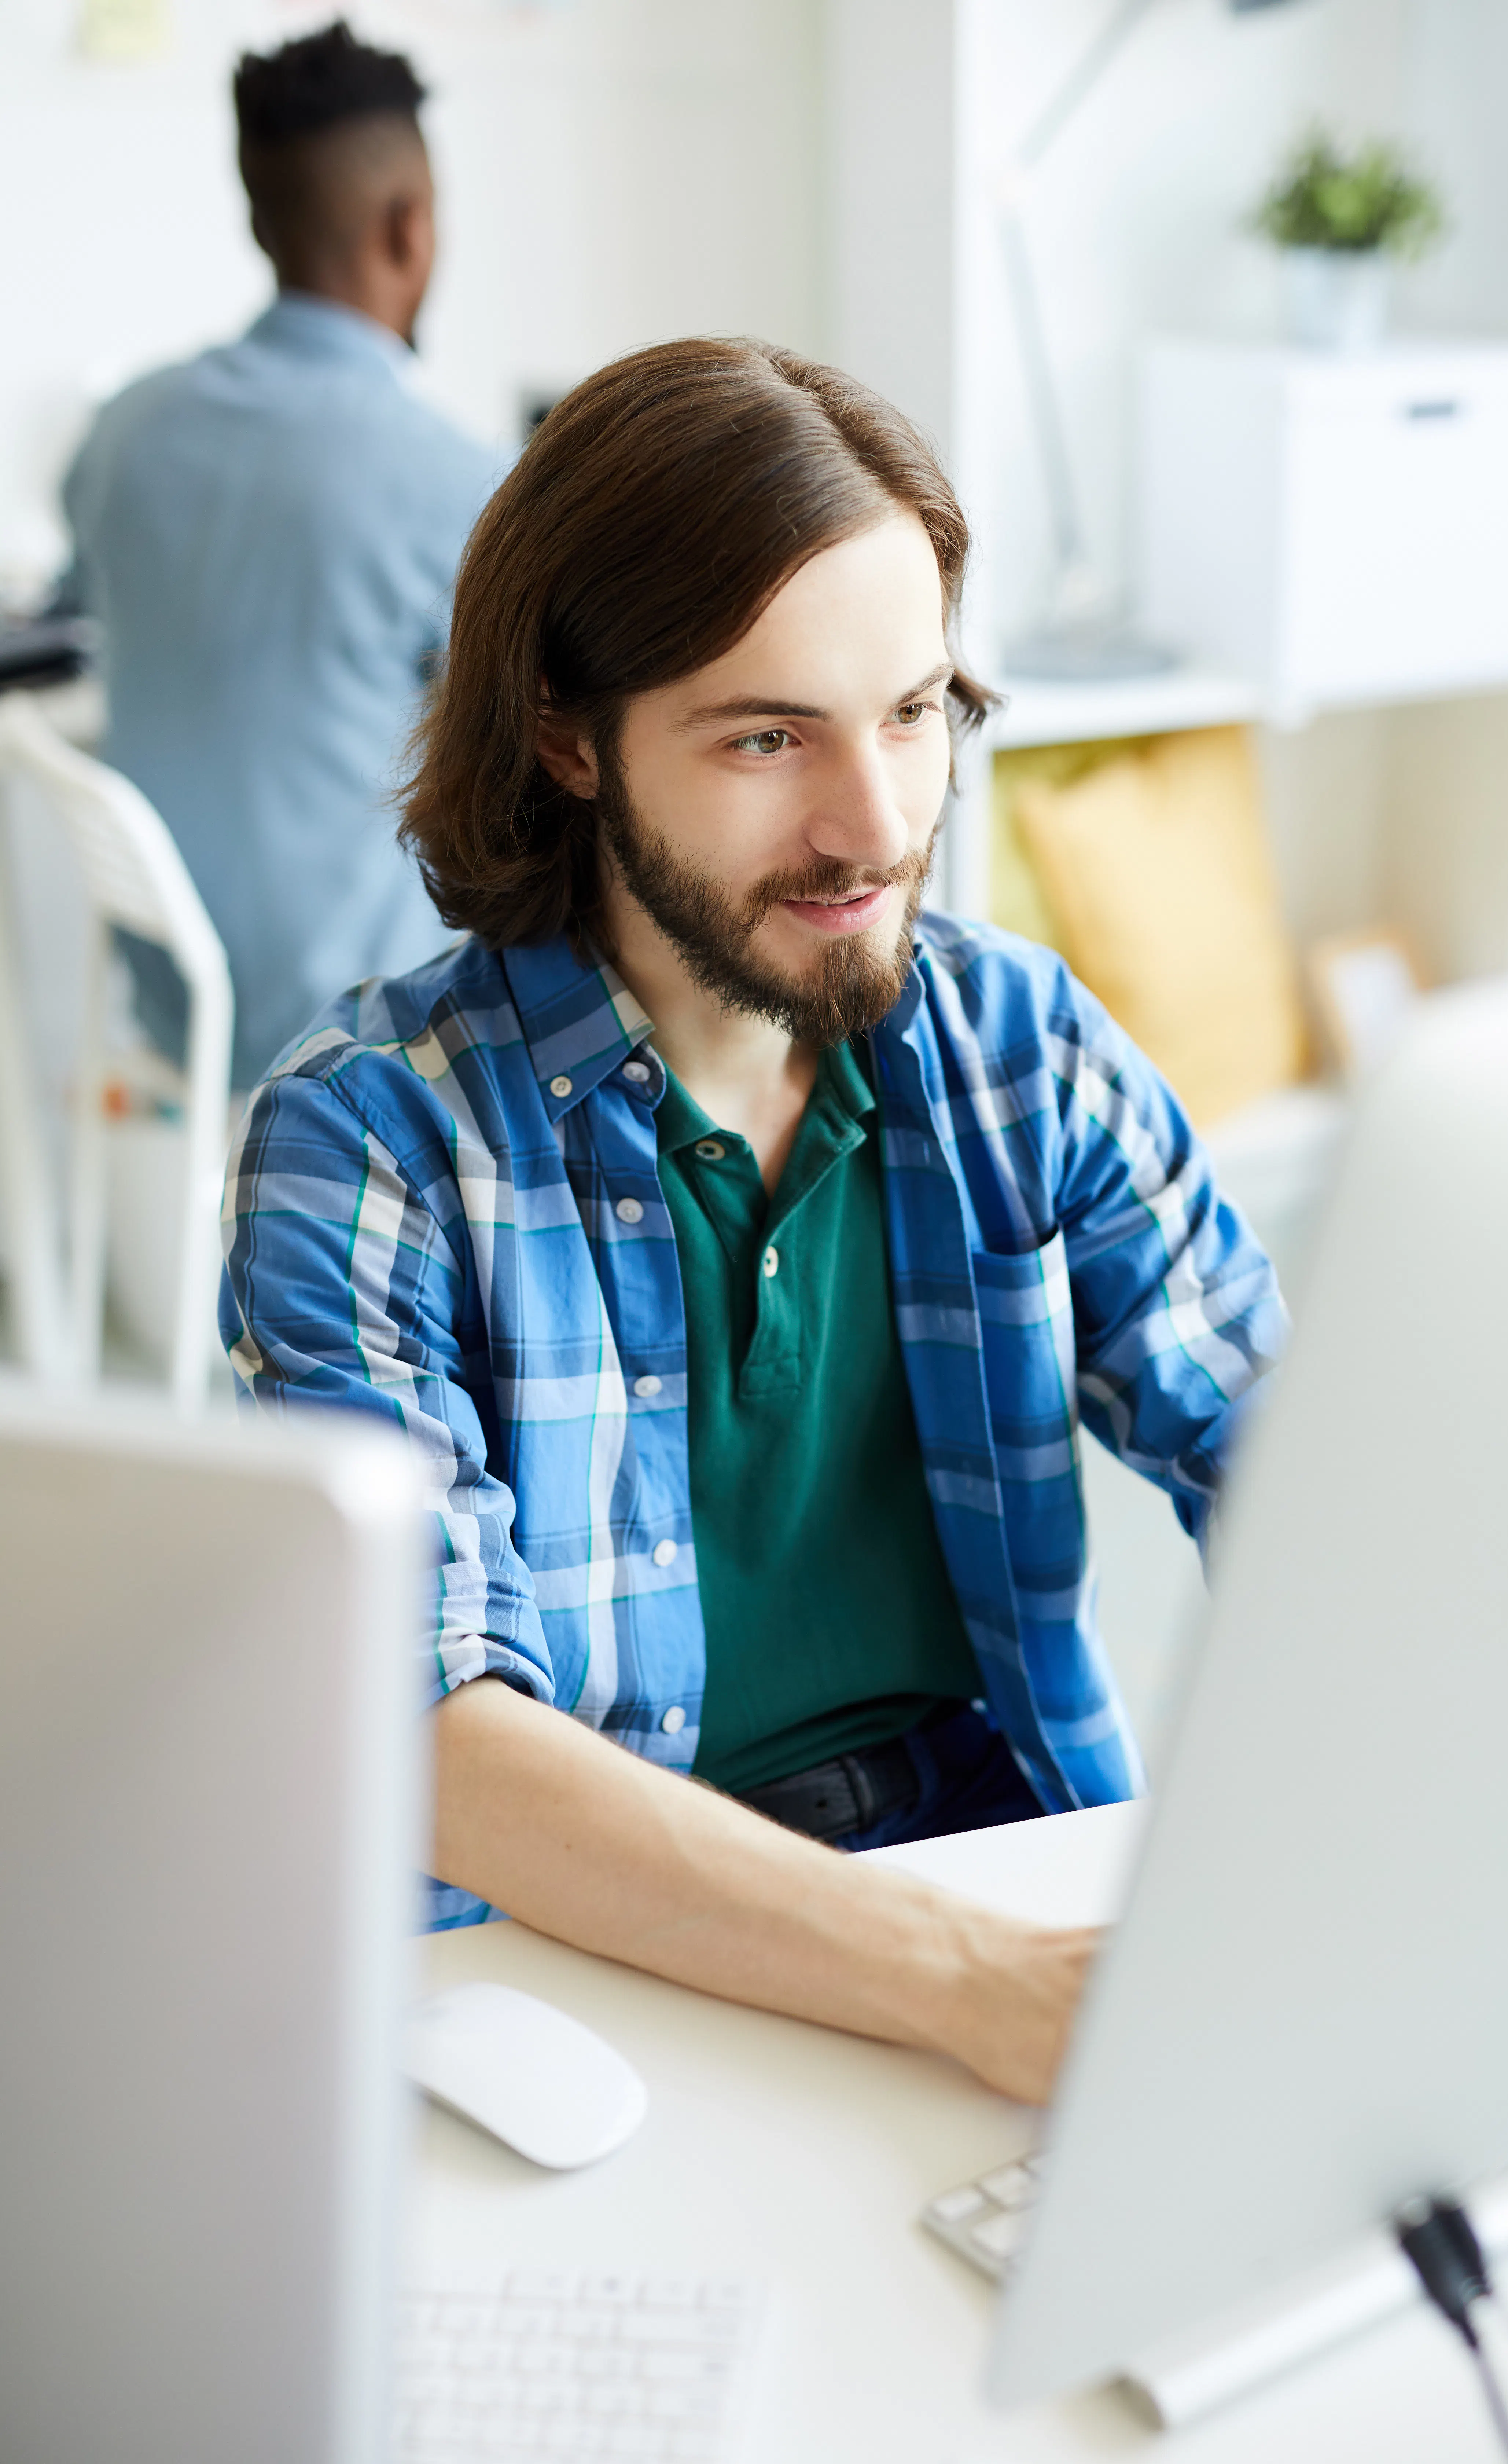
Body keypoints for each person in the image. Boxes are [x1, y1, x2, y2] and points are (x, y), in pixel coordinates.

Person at [221, 338, 1284, 2104]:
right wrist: (967, 1983)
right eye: (767, 736)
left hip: (997, 1848)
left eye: (912, 712)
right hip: (586, 1952)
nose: (873, 826)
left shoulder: (1015, 1043)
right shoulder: (371, 1135)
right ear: (569, 736)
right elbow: (438, 1739)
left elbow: (1281, 1450)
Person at [60, 21, 498, 1090]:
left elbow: (81, 618)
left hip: (169, 992)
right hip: (359, 1026)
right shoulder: (452, 479)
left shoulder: (120, 432)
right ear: (411, 228)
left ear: (262, 221)